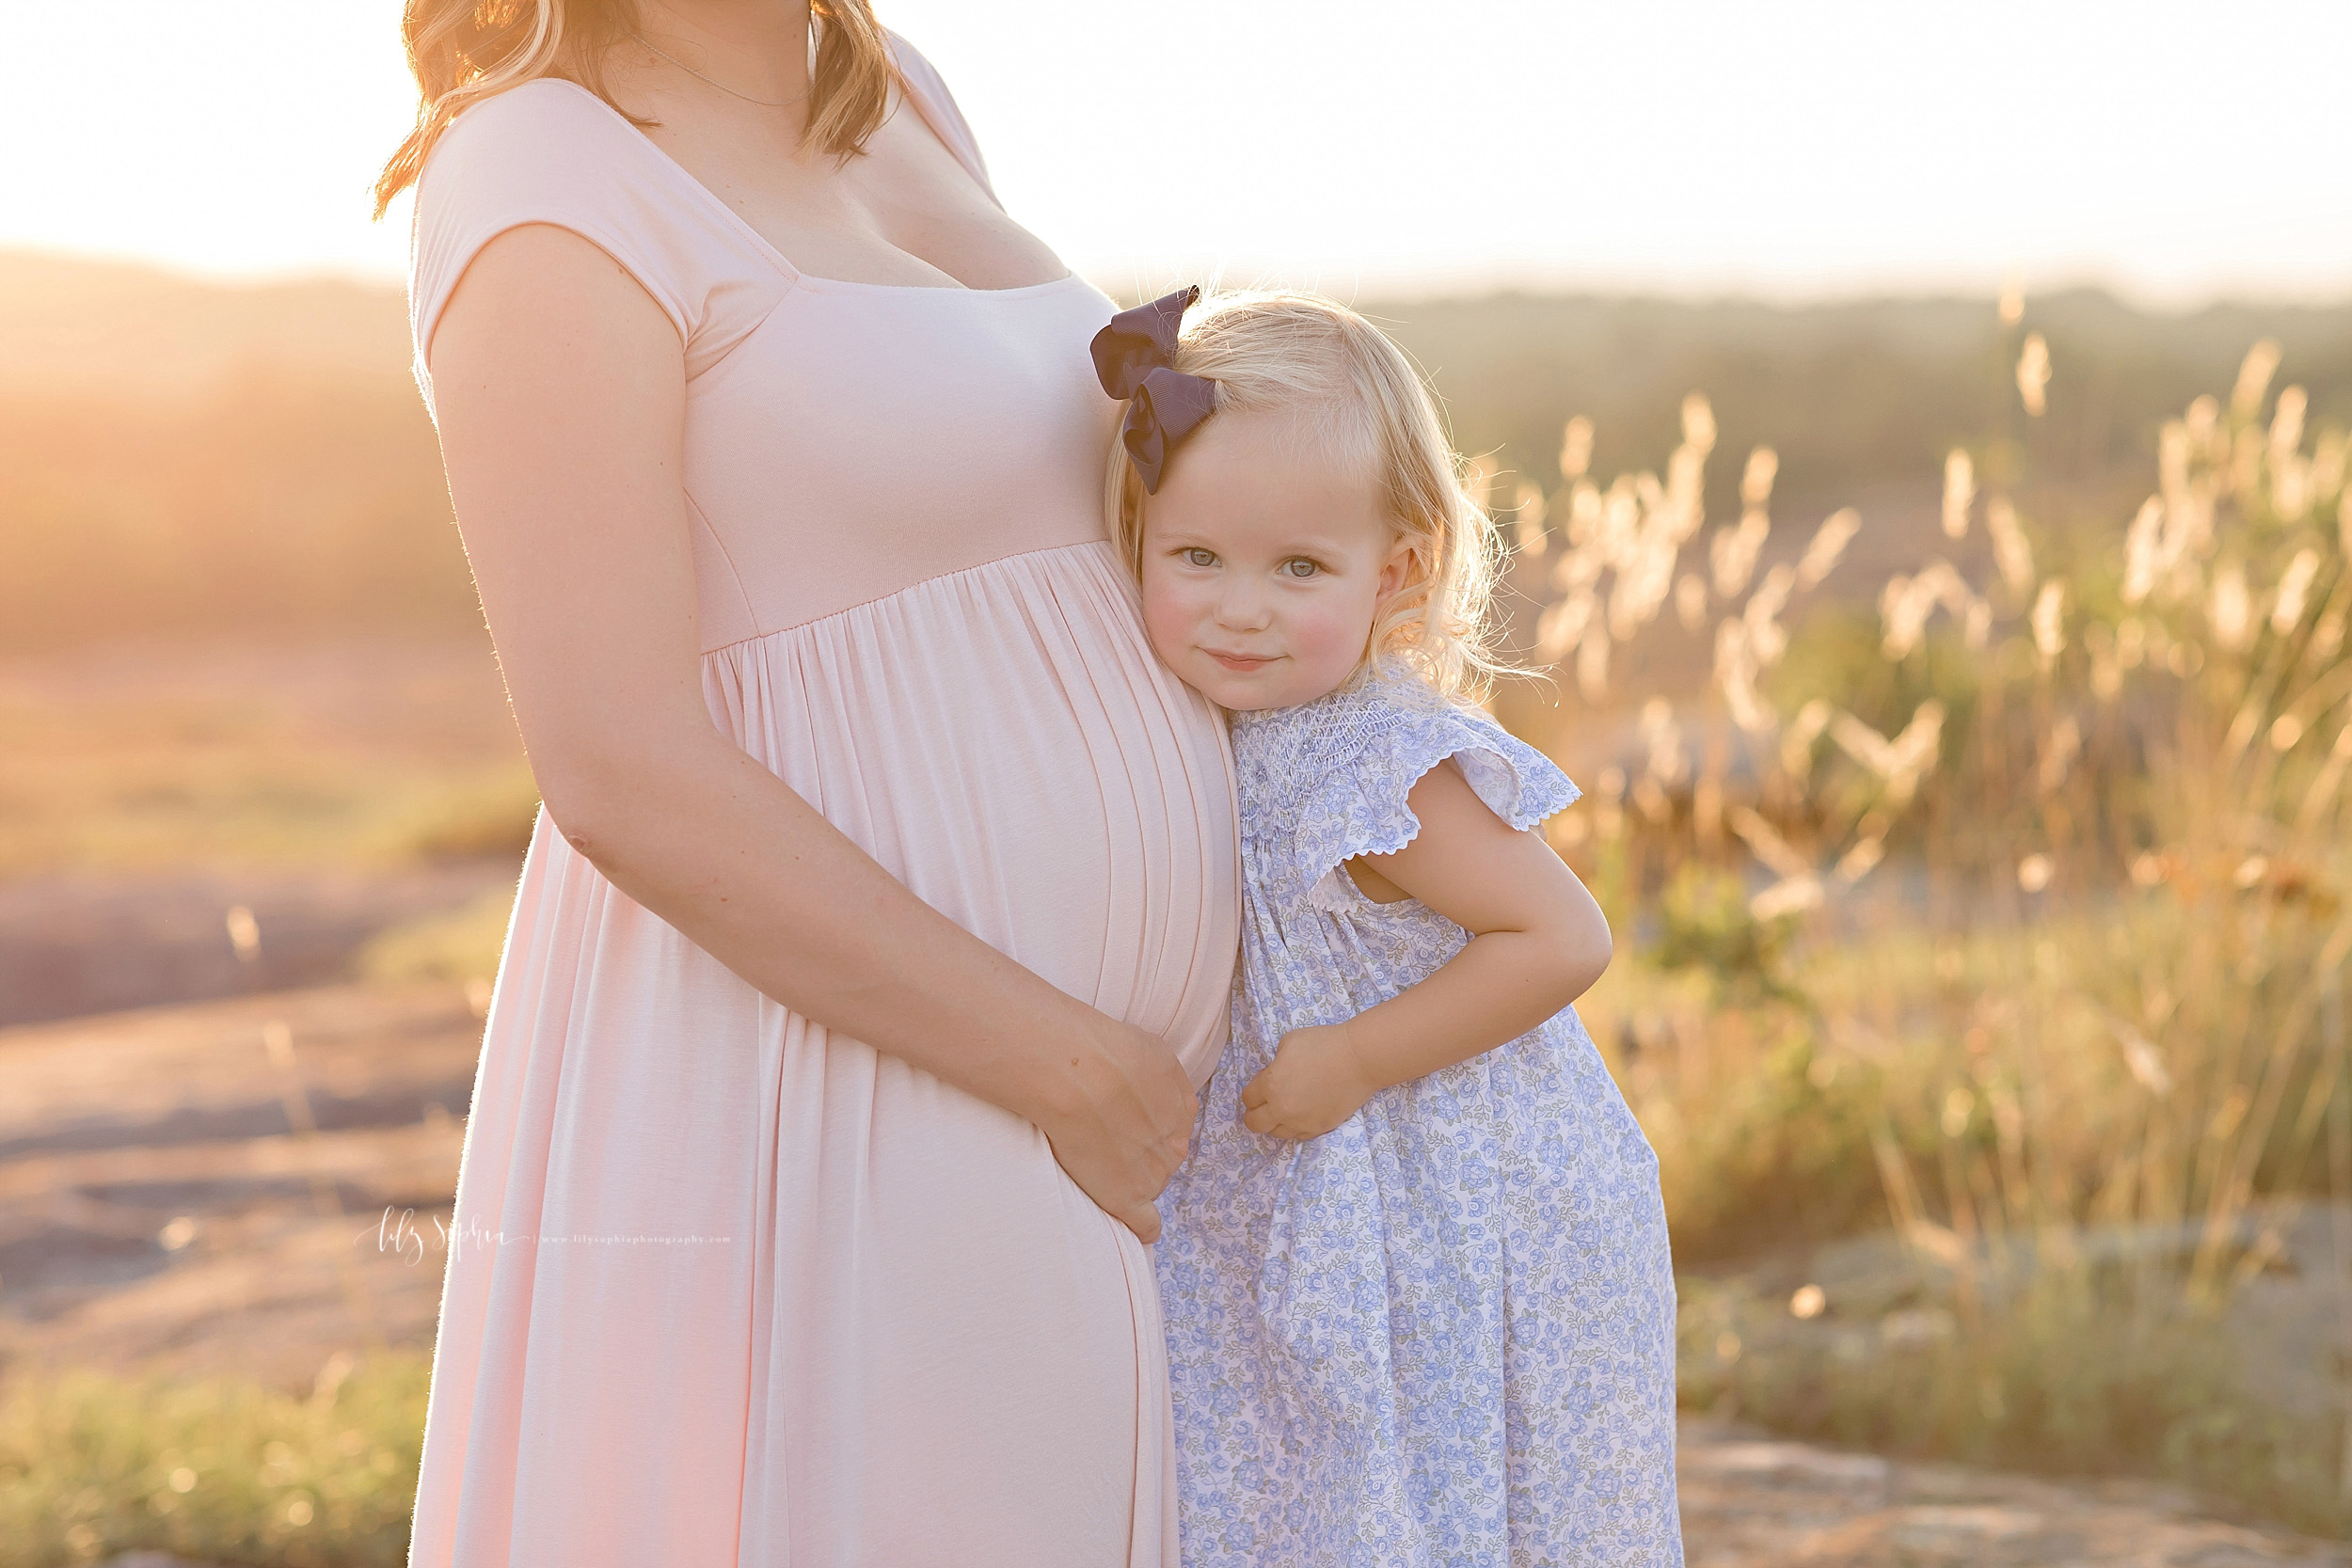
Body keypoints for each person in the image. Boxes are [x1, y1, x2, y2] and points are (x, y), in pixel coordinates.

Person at [375, 4, 1237, 1562]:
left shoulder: (904, 92)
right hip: (859, 1073)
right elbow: (616, 764)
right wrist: (1058, 1064)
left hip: (1118, 1100)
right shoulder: (535, 174)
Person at [1097, 290, 1684, 1564]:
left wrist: (1360, 1055)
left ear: (1397, 573)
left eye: (1299, 568)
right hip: (1317, 1180)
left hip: (1455, 1191)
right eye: (1196, 557)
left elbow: (1561, 937)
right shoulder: (1199, 723)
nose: (1240, 607)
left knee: (1436, 1487)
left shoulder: (1377, 763)